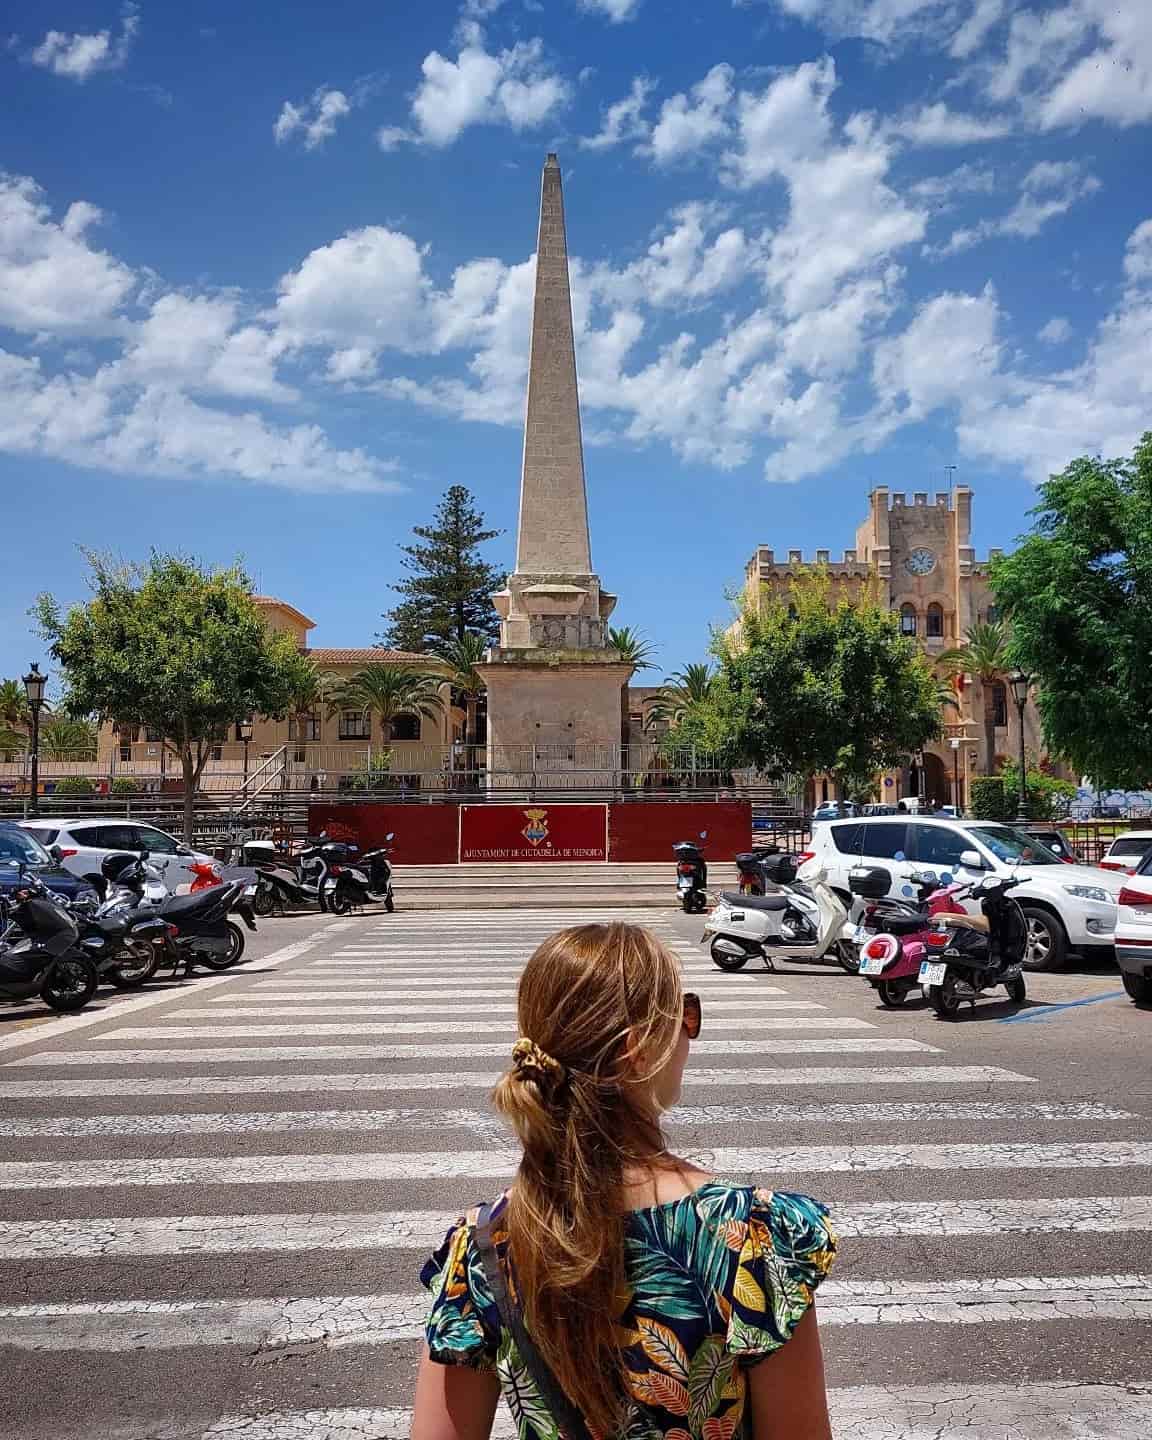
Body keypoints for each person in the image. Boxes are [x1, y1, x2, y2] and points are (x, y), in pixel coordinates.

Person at [412, 922, 837, 1440]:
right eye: (686, 1014)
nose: (689, 1031)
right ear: (637, 1049)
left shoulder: (482, 1246)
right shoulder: (753, 1237)